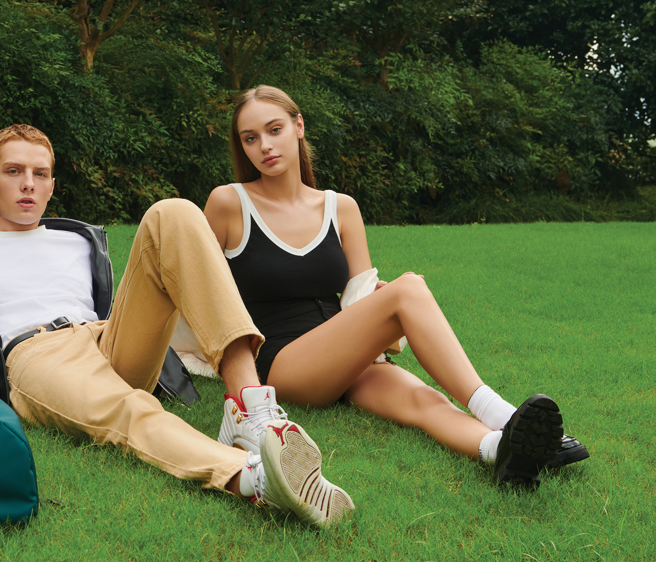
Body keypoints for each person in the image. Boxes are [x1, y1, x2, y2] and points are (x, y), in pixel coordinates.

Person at [0, 124, 355, 526]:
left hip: (105, 334)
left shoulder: (78, 239)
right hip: (35, 353)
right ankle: (253, 478)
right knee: (129, 408)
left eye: (40, 174)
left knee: (173, 211)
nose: (28, 184)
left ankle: (248, 409)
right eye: (13, 171)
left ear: (53, 185)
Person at [203, 86, 589, 490]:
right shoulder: (229, 203)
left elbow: (357, 295)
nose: (265, 146)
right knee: (408, 289)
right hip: (285, 363)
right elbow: (198, 287)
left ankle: (501, 450)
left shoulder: (341, 207)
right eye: (250, 138)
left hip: (346, 353)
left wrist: (374, 306)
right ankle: (505, 415)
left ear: (298, 126)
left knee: (423, 399)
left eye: (274, 129)